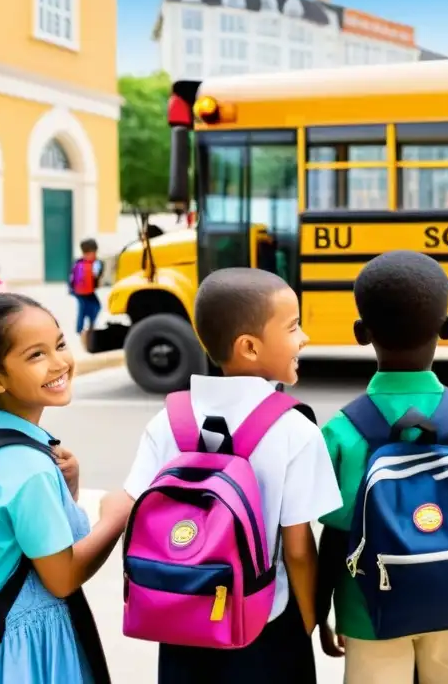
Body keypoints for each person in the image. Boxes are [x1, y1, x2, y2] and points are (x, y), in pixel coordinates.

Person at [123, 267, 342, 684]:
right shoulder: (294, 428)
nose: (304, 338)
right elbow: (297, 548)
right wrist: (312, 622)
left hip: (180, 616)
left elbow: (138, 508)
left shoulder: (166, 420)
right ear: (249, 347)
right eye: (294, 327)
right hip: (265, 625)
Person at [316, 250, 448, 684]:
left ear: (360, 333)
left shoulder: (342, 429)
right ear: (447, 328)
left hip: (368, 609)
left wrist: (323, 612)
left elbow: (335, 535)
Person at [0, 293, 131, 683]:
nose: (59, 362)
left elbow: (15, 538)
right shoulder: (28, 468)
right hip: (26, 653)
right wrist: (115, 518)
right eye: (35, 355)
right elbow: (61, 578)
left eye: (59, 344)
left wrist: (66, 491)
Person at [68, 241, 104, 351]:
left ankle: (85, 328)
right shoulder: (88, 264)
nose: (95, 255)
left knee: (91, 307)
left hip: (83, 291)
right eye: (93, 253)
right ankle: (81, 330)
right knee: (85, 309)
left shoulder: (79, 262)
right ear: (87, 253)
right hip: (82, 292)